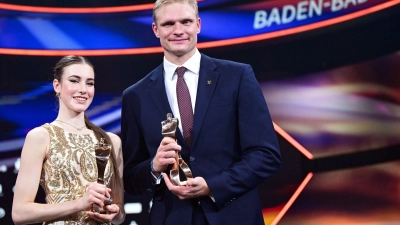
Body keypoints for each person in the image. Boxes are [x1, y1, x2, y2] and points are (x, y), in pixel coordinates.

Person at [121, 0, 281, 224]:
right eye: (168, 24)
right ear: (155, 30)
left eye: (185, 22)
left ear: (198, 24)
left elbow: (266, 155)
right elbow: (130, 180)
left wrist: (213, 185)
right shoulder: (135, 96)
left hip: (232, 214)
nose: (178, 30)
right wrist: (154, 167)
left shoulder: (237, 77)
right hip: (172, 217)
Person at [12, 55, 125, 225]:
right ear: (57, 86)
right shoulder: (41, 137)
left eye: (89, 83)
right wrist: (79, 204)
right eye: (74, 81)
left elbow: (119, 214)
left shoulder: (111, 141)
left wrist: (114, 213)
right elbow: (20, 213)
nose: (83, 89)